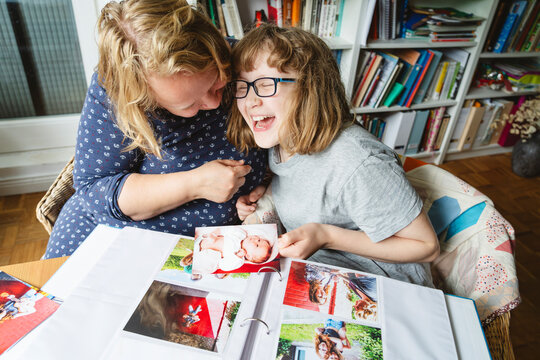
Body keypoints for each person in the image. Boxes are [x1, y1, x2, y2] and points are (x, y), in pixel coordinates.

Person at [44, 0, 267, 259]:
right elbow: (95, 191)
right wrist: (195, 183)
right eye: (189, 104)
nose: (215, 103)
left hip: (207, 245)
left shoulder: (247, 60)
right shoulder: (115, 91)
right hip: (111, 233)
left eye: (218, 83)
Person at [229, 23, 439, 286]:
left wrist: (327, 235)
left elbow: (426, 246)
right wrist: (266, 192)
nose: (250, 101)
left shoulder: (358, 161)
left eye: (265, 84)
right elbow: (311, 183)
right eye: (242, 86)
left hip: (387, 288)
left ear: (309, 88)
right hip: (327, 275)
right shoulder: (282, 141)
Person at [193, 226, 274, 273]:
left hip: (202, 254)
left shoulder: (238, 261)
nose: (256, 239)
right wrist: (216, 233)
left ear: (248, 256)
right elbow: (227, 229)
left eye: (257, 245)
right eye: (259, 239)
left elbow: (223, 266)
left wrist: (238, 256)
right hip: (202, 240)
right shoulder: (241, 234)